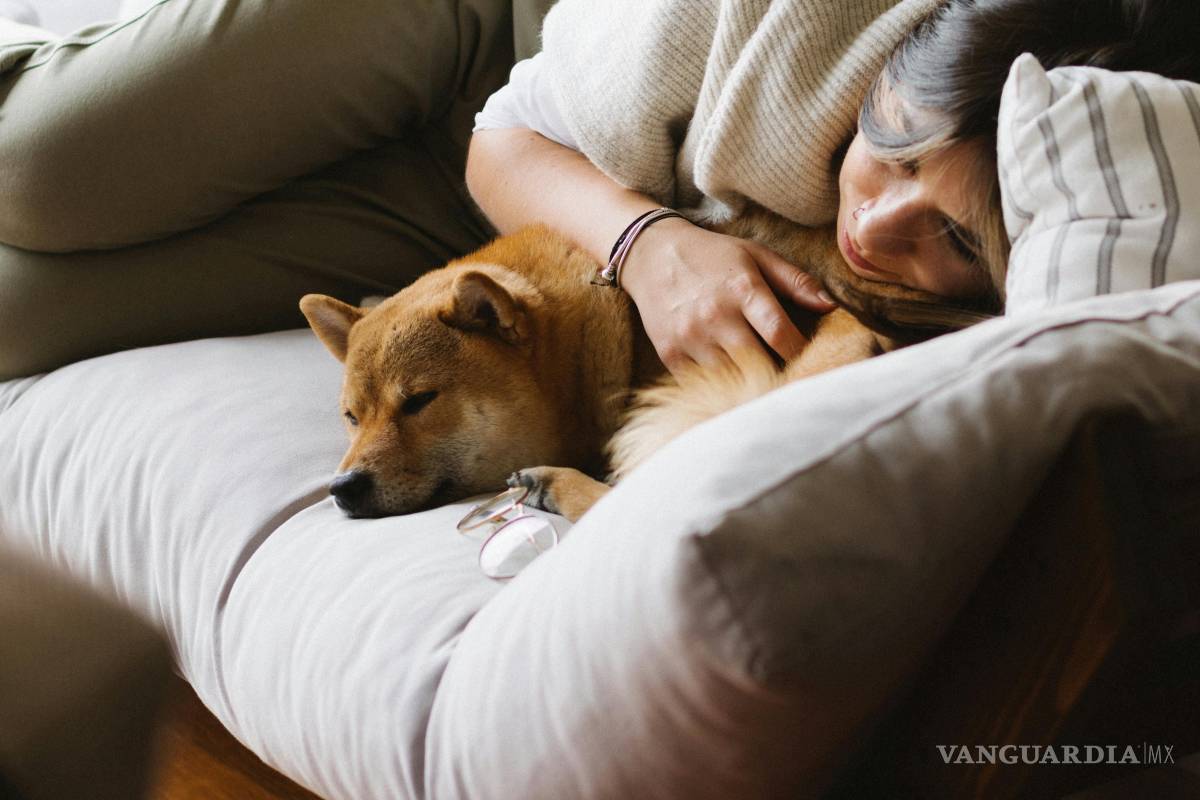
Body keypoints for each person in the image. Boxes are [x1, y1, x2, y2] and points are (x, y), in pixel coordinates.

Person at [0, 0, 1195, 381]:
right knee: (41, 169)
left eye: (954, 242)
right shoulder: (779, 33)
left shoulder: (1077, 216)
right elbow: (503, 132)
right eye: (892, 155)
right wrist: (657, 244)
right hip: (487, 56)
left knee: (21, 318)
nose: (875, 231)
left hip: (502, 223)